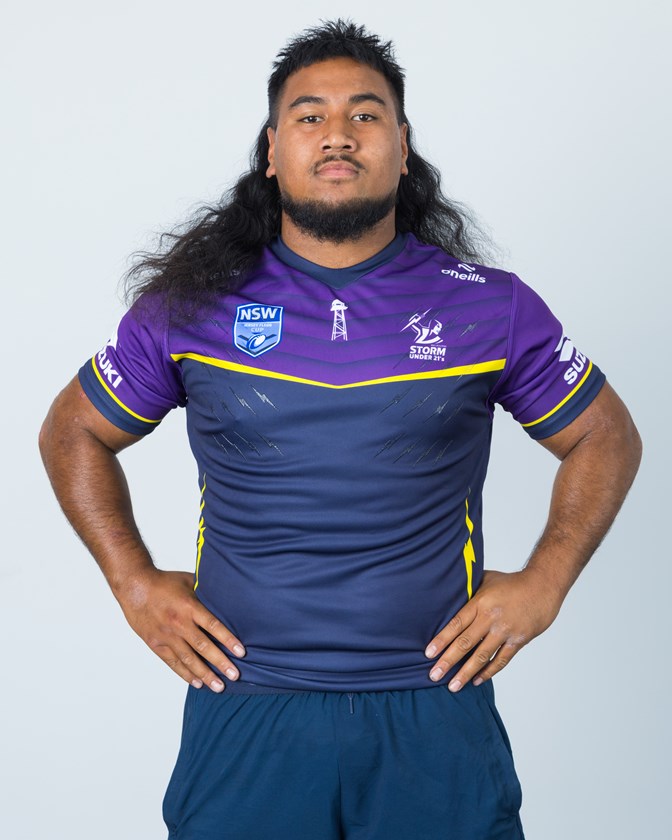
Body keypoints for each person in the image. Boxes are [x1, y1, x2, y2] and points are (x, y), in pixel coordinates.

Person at [39, 19, 641, 840]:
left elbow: (606, 435)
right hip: (248, 707)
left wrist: (547, 581)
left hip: (434, 709)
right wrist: (131, 582)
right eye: (309, 115)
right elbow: (72, 431)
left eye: (365, 114)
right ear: (271, 150)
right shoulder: (191, 307)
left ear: (403, 146)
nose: (337, 135)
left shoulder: (487, 306)